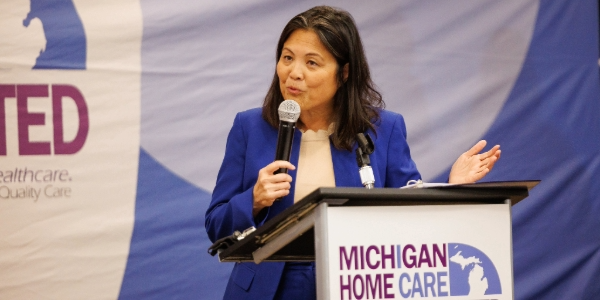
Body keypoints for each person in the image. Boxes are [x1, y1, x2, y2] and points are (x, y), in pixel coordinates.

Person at [205, 5, 500, 300]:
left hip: (355, 283)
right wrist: (253, 200)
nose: (294, 73)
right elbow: (216, 225)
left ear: (343, 73)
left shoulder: (381, 130)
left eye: (312, 63)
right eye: (287, 58)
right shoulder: (250, 127)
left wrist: (451, 189)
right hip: (267, 288)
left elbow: (410, 216)